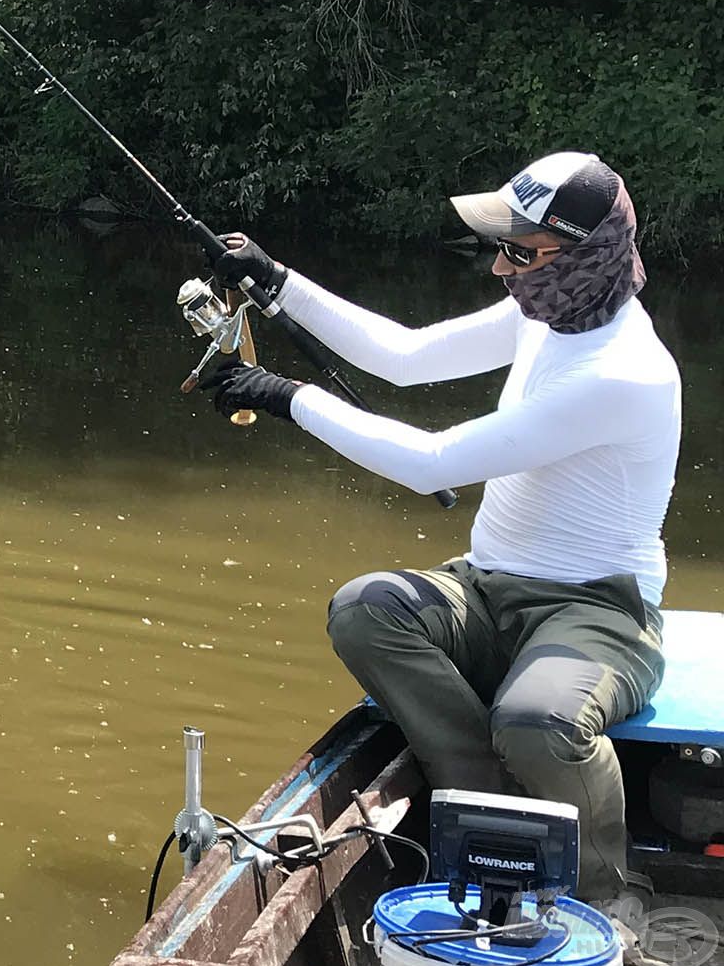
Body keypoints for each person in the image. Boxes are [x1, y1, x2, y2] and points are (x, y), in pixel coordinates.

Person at [201, 151, 679, 921]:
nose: (499, 267)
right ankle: (481, 804)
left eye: (520, 251)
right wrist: (278, 280)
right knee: (364, 608)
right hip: (487, 585)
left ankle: (608, 893)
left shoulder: (621, 373)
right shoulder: (549, 309)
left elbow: (434, 462)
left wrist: (290, 398)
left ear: (584, 256)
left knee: (538, 722)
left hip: (599, 612)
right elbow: (407, 357)